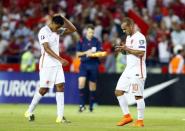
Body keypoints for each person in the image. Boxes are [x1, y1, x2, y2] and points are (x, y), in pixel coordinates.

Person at [24, 14, 77, 123]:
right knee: (44, 89)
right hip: (47, 64)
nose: (58, 29)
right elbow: (47, 49)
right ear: (52, 23)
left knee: (60, 86)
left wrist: (63, 18)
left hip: (57, 65)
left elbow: (73, 29)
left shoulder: (56, 31)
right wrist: (61, 59)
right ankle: (29, 111)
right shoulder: (44, 31)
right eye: (57, 26)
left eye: (59, 27)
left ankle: (60, 116)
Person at [115, 18, 146, 127]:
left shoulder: (140, 37)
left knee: (138, 95)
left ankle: (140, 121)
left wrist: (127, 49)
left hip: (138, 69)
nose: (124, 31)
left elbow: (141, 52)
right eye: (122, 29)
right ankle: (127, 116)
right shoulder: (128, 37)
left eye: (124, 29)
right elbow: (128, 52)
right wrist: (123, 50)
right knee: (118, 91)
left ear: (131, 26)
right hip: (128, 69)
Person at [76, 24, 106, 112]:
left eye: (92, 32)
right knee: (81, 83)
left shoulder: (97, 41)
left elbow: (102, 53)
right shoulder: (81, 41)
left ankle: (91, 106)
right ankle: (81, 105)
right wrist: (86, 52)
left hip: (93, 65)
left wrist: (93, 54)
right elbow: (78, 54)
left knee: (92, 86)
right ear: (86, 32)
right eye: (89, 32)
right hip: (84, 65)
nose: (91, 34)